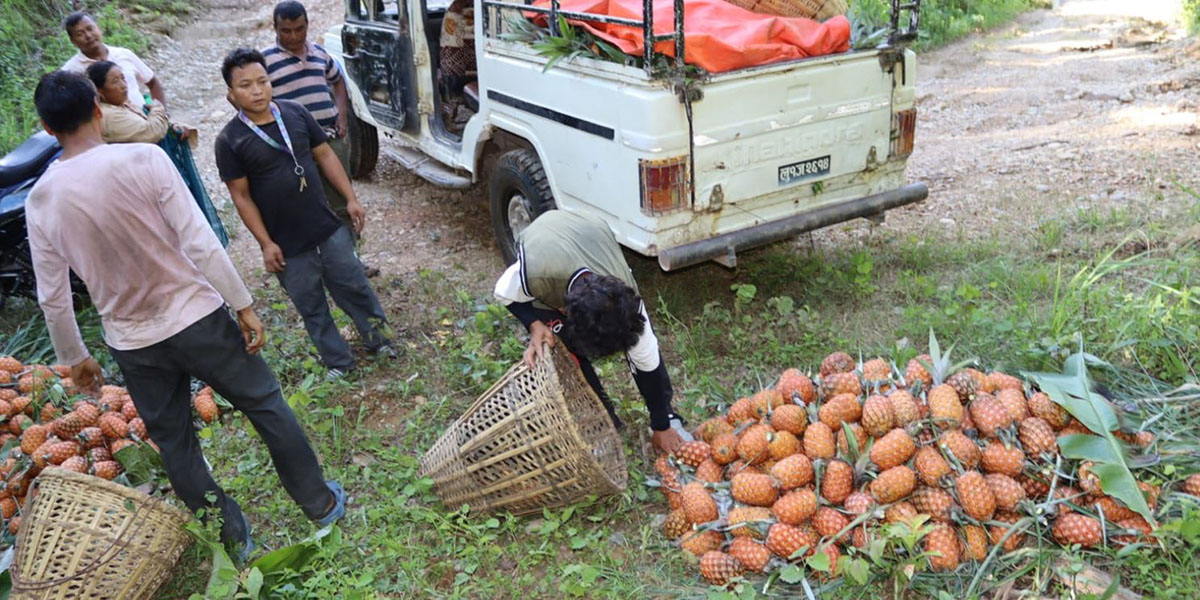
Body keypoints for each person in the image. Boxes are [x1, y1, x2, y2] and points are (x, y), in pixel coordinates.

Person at [27, 70, 345, 561]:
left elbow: (54, 295)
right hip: (196, 318)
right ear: (97, 110)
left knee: (176, 444)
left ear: (47, 130)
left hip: (133, 342)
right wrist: (242, 304)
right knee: (265, 405)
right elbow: (198, 240)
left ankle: (232, 542)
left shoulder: (42, 198)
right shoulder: (143, 158)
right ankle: (320, 504)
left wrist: (75, 357)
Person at [216, 48, 395, 379]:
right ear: (231, 94)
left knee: (353, 284)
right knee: (311, 305)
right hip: (286, 242)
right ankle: (339, 362)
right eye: (245, 85)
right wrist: (266, 243)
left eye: (262, 81)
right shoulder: (230, 140)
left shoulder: (295, 114)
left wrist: (351, 198)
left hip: (325, 226)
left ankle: (380, 340)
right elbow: (240, 196)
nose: (256, 90)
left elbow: (325, 155)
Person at [493, 210, 692, 454]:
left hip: (588, 230)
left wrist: (662, 423)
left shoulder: (627, 300)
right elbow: (503, 293)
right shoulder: (537, 274)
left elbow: (648, 363)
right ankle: (604, 421)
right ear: (563, 309)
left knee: (645, 356)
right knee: (566, 350)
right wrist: (535, 325)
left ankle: (665, 416)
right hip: (545, 235)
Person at [263, 1, 378, 277]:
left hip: (329, 140)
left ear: (307, 26)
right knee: (297, 203)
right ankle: (307, 265)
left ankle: (351, 263)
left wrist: (341, 114)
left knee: (341, 201)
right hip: (291, 147)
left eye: (299, 29)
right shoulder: (265, 61)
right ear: (275, 28)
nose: (293, 36)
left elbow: (338, 80)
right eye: (286, 30)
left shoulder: (320, 54)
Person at [85, 60, 229, 247]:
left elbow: (150, 124)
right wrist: (158, 108)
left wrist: (170, 126)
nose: (123, 85)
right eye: (115, 81)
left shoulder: (124, 106)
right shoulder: (109, 116)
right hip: (143, 187)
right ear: (100, 92)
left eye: (123, 79)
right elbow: (150, 132)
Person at [61, 11, 165, 110]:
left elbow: (152, 82)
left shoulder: (123, 54)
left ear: (98, 28)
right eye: (80, 34)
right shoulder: (70, 72)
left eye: (90, 28)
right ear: (73, 41)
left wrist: (162, 113)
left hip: (145, 121)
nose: (88, 35)